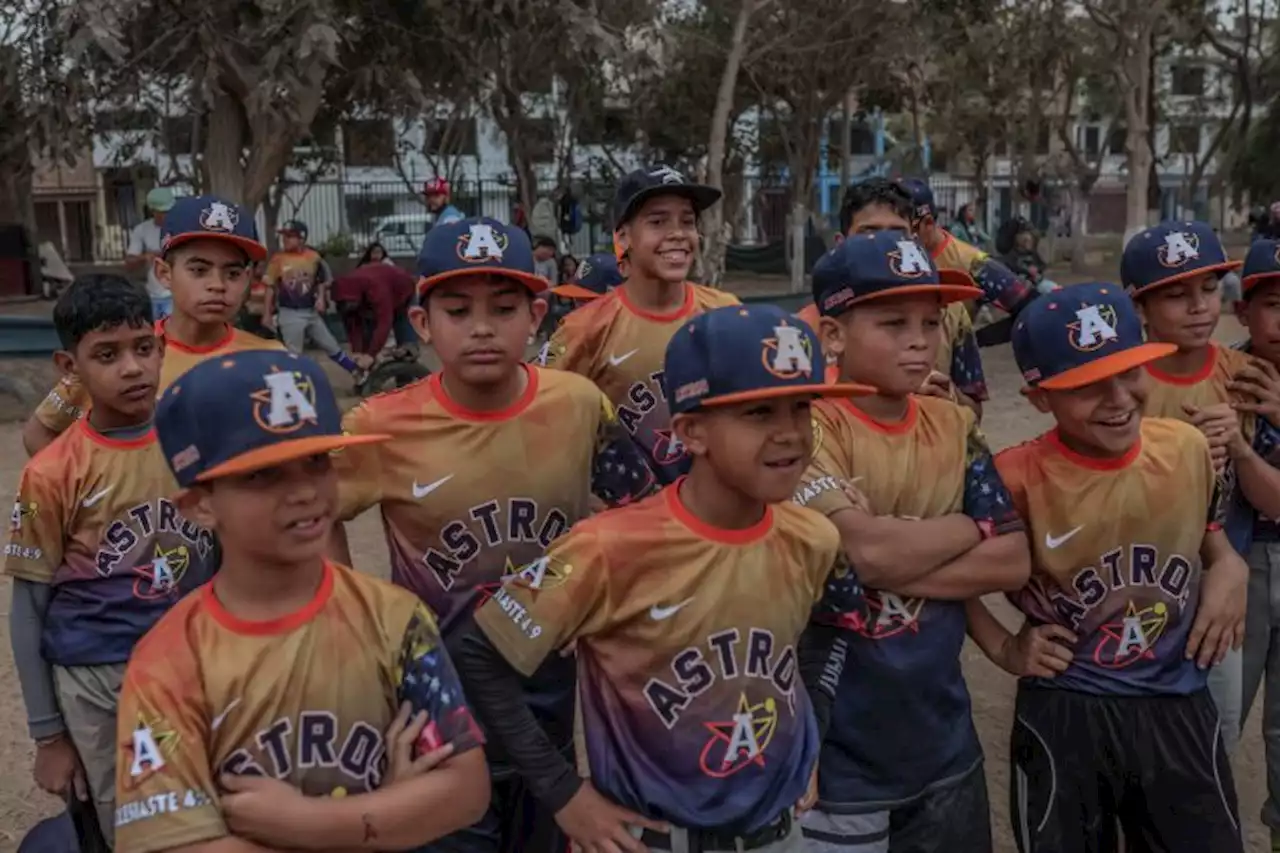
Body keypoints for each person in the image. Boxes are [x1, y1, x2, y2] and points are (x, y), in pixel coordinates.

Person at [457, 302, 871, 853]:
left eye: (800, 408)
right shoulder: (606, 546)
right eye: (758, 413)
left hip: (779, 834)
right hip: (649, 839)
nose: (791, 433)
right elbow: (479, 653)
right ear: (691, 431)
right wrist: (561, 792)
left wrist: (810, 732)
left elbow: (833, 622)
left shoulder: (814, 537)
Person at [331, 217, 657, 853]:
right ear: (423, 324)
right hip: (438, 708)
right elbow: (315, 515)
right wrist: (349, 616)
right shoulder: (380, 424)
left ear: (536, 315)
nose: (482, 327)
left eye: (504, 308)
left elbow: (642, 508)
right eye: (457, 309)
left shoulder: (577, 403)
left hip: (549, 700)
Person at [113, 349, 491, 853]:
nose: (304, 492)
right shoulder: (170, 662)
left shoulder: (393, 617)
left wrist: (310, 824)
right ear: (200, 504)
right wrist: (387, 814)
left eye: (316, 462)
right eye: (262, 475)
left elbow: (465, 789)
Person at [965, 282, 1247, 853]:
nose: (1118, 398)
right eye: (1088, 385)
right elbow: (955, 578)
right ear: (1040, 396)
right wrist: (1001, 646)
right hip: (1067, 706)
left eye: (1129, 372)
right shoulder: (1014, 476)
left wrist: (1229, 570)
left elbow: (1212, 543)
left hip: (1177, 700)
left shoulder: (1188, 450)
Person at [795, 231, 1030, 853]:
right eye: (893, 321)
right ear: (833, 336)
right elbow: (862, 552)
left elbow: (1013, 558)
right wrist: (964, 528)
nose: (920, 339)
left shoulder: (953, 424)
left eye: (931, 321)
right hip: (839, 749)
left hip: (943, 740)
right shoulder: (804, 426)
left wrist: (884, 547)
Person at [5, 275, 219, 845]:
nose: (131, 368)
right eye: (107, 354)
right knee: (124, 822)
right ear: (67, 367)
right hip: (96, 680)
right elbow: (28, 608)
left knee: (208, 810)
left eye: (142, 348)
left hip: (198, 664)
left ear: (161, 347)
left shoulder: (202, 442)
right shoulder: (51, 474)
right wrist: (49, 735)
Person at [1120, 220, 1280, 755]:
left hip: (1218, 597)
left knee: (1213, 751)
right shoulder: (1116, 384)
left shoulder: (1248, 376)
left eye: (1209, 289)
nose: (1198, 307)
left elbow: (1272, 502)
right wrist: (1172, 458)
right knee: (1133, 755)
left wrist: (1237, 448)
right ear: (1138, 305)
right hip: (1129, 601)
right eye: (1175, 294)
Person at [21, 194, 283, 458]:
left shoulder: (273, 360)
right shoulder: (123, 356)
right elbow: (39, 433)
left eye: (233, 274)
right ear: (164, 273)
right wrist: (88, 491)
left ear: (248, 278)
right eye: (199, 270)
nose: (217, 285)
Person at [541, 165, 740, 484]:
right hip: (627, 518)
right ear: (623, 237)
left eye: (687, 221)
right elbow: (540, 422)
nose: (677, 233)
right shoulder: (585, 328)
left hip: (715, 508)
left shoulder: (726, 312)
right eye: (658, 221)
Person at [825, 178, 989, 416]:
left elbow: (975, 411)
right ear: (841, 243)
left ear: (913, 238)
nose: (884, 245)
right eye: (869, 233)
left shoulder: (950, 311)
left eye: (896, 233)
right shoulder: (813, 321)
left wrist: (947, 396)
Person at [1230, 239, 1280, 851]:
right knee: (1210, 729)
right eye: (1273, 303)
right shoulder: (1226, 375)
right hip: (1238, 569)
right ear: (1242, 312)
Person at [897, 178, 1034, 319]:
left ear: (928, 223)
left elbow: (1030, 309)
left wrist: (976, 339)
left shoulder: (972, 263)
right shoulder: (887, 256)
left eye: (899, 229)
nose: (889, 237)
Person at [262, 219, 363, 380]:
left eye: (290, 236)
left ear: (301, 238)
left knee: (331, 346)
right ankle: (294, 386)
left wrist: (321, 297)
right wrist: (267, 313)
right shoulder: (278, 259)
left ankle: (356, 372)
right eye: (284, 236)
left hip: (311, 312)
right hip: (290, 313)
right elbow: (269, 286)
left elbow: (321, 280)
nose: (285, 240)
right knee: (294, 354)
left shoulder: (313, 257)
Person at [331, 263, 418, 360]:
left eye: (349, 304)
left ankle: (409, 354)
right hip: (373, 294)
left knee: (401, 324)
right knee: (367, 336)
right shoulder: (345, 296)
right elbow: (352, 326)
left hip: (403, 290)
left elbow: (385, 323)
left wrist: (370, 355)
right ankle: (371, 362)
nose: (347, 307)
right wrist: (357, 352)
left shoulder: (376, 289)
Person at [126, 187, 177, 320]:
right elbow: (129, 263)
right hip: (152, 295)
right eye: (161, 212)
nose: (165, 215)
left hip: (175, 294)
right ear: (152, 210)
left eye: (168, 211)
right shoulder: (142, 230)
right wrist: (145, 257)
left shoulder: (179, 227)